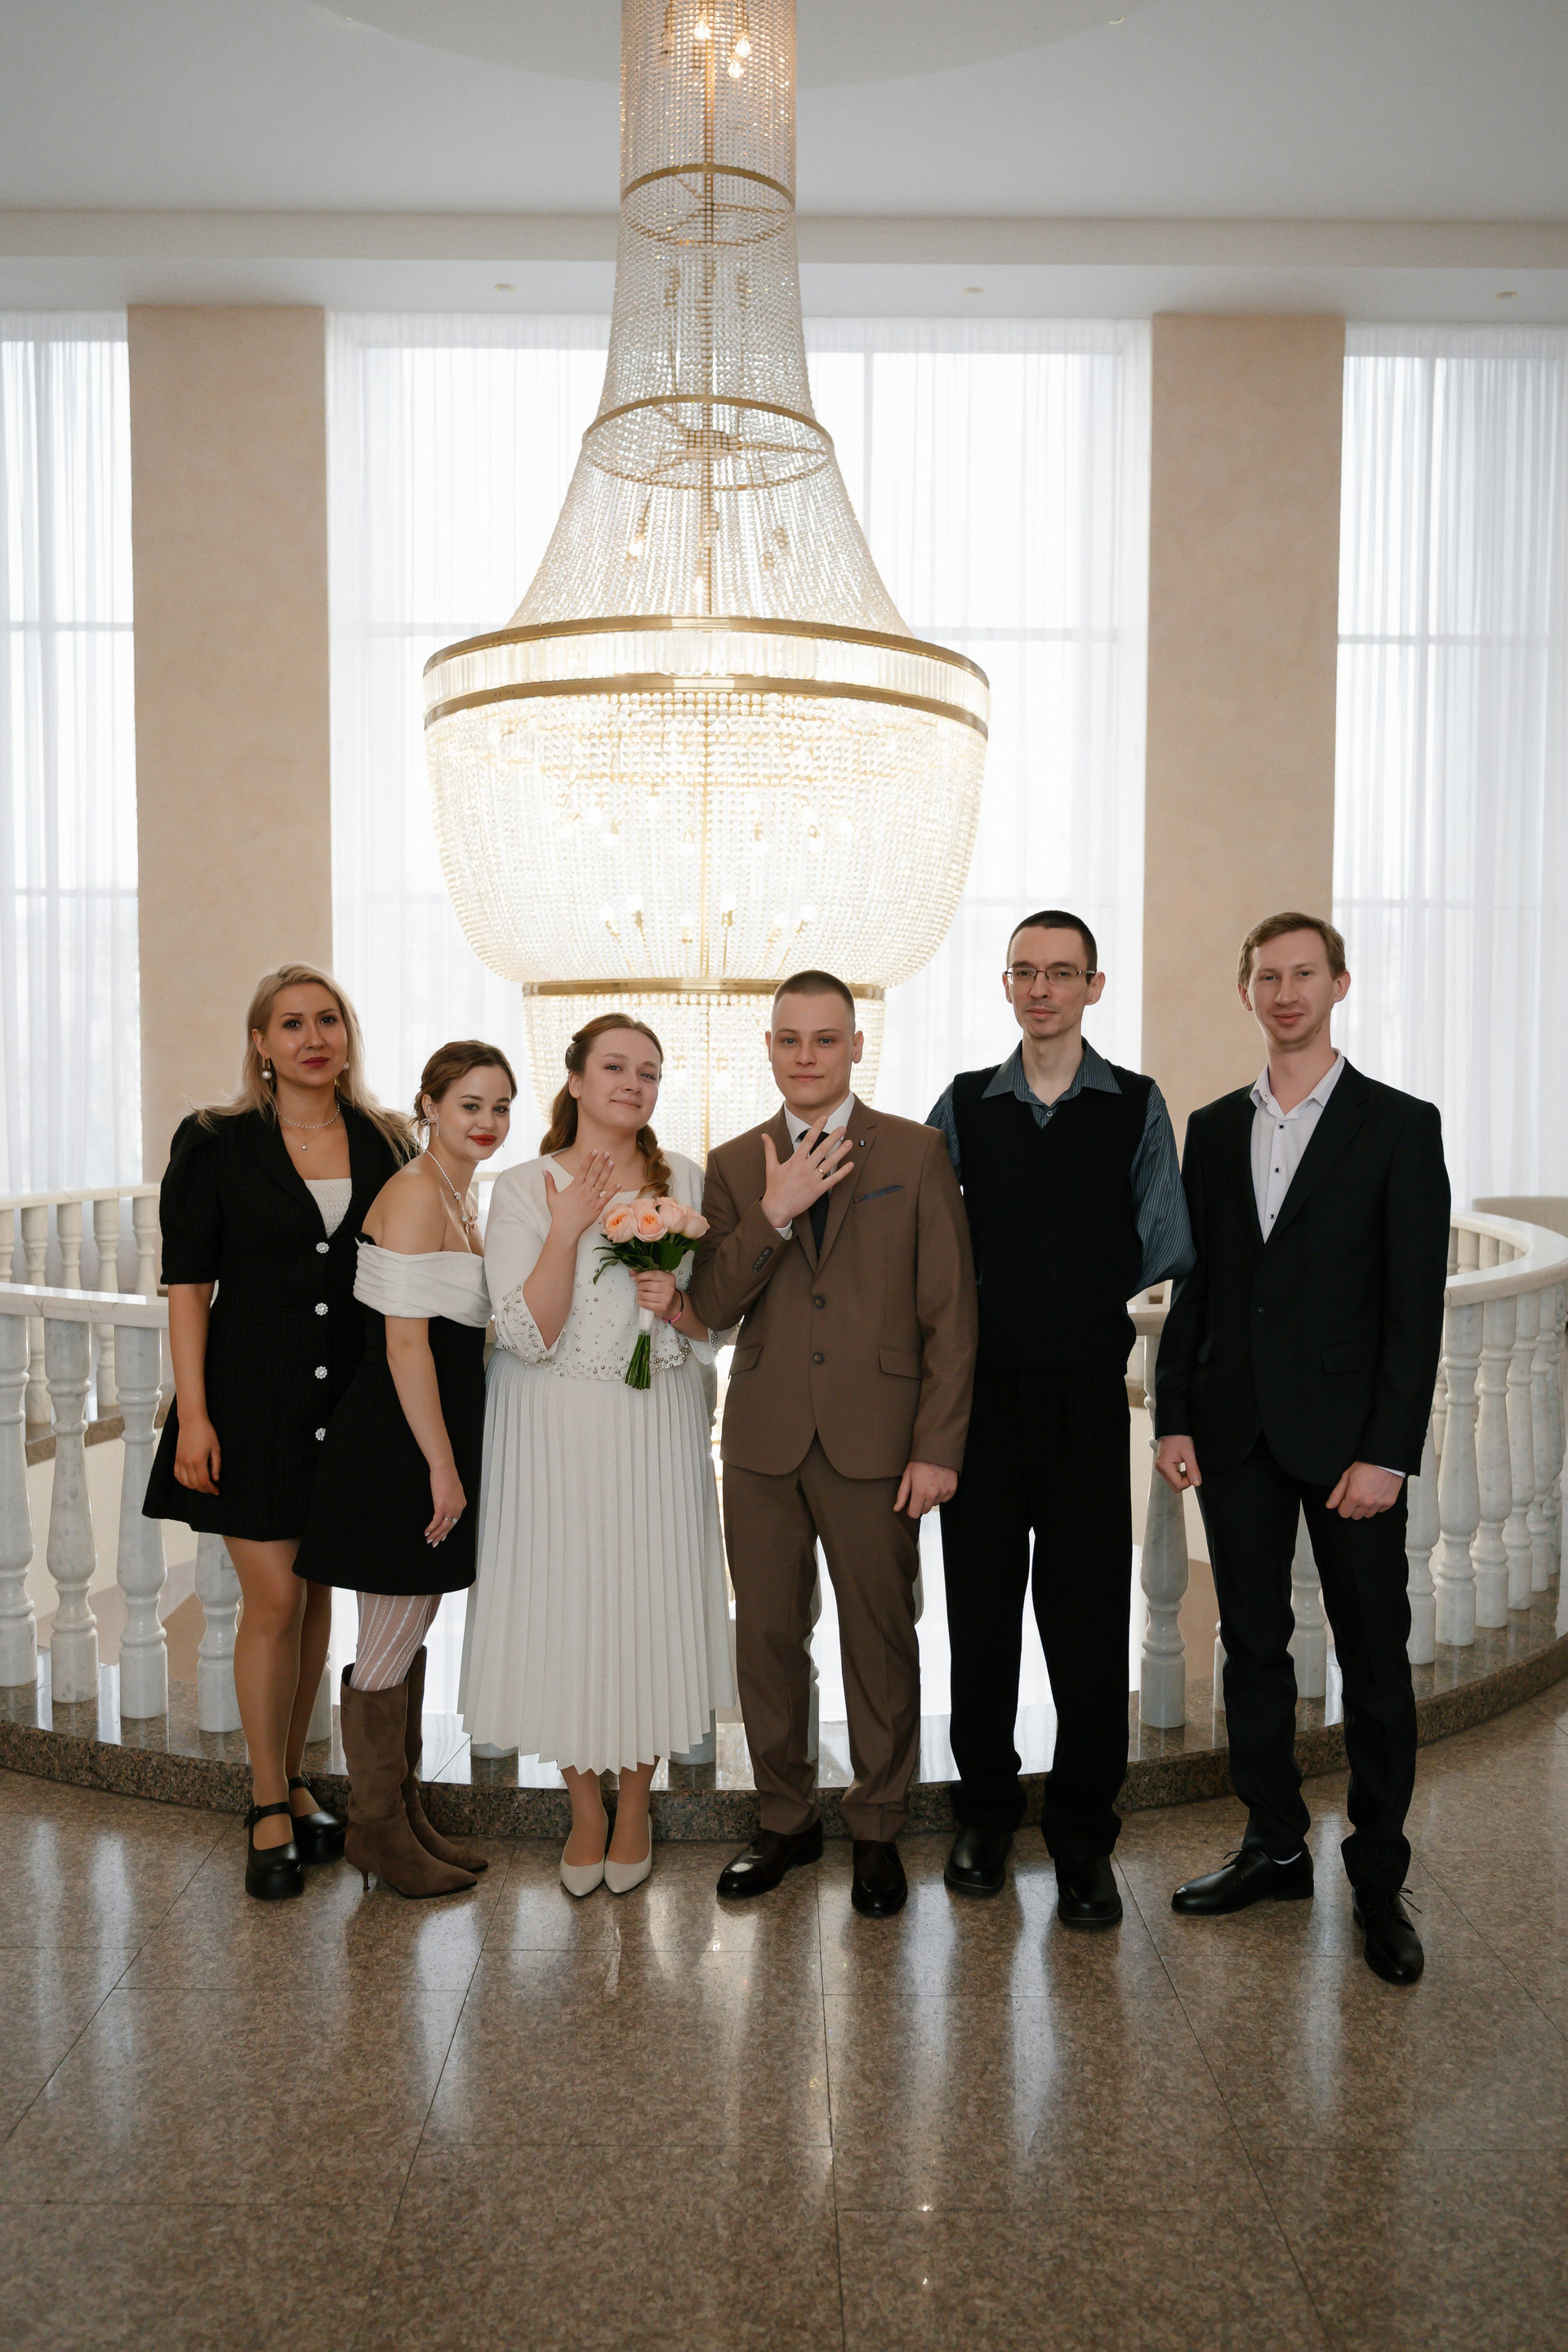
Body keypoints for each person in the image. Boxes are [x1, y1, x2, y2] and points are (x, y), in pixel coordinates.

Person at [1153, 912, 1450, 1984]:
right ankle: (1275, 1846)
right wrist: (1174, 1413)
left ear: (1339, 986)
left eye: (1304, 974)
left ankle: (1378, 1879)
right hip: (1234, 1434)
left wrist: (1388, 1452)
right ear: (1247, 993)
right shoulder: (1211, 1127)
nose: (1286, 993)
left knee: (1373, 1661)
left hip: (1350, 1448)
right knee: (1253, 1648)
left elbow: (1414, 1309)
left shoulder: (1398, 1125)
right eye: (1268, 977)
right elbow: (1196, 1287)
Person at [690, 971, 978, 1920]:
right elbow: (711, 1305)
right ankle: (784, 1817)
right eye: (790, 1039)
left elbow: (950, 1312)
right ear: (769, 1048)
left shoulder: (917, 1151)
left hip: (879, 1440)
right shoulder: (734, 1163)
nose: (806, 1056)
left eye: (825, 1039)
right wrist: (772, 1212)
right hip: (763, 1440)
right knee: (768, 1636)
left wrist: (937, 1445)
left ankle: (879, 1826)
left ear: (857, 1046)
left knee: (879, 1636)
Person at [928, 910, 1195, 1927]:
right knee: (980, 1622)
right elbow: (921, 1236)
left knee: (1086, 1630)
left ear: (1093, 986)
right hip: (980, 1403)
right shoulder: (964, 1104)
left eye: (1062, 972)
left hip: (1086, 1397)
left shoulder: (1135, 1105)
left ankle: (1084, 1838)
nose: (1042, 988)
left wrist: (1074, 1286)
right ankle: (985, 1816)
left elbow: (1165, 1240)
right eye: (1025, 971)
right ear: (1006, 985)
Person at [142, 964, 412, 1900]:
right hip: (249, 1402)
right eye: (291, 1023)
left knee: (316, 1598)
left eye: (328, 1019)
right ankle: (264, 1802)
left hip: (353, 1407)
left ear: (347, 1034)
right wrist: (194, 1414)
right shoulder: (214, 1142)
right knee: (274, 1603)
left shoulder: (388, 1138)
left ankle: (294, 1782)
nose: (313, 1037)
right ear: (260, 1043)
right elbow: (189, 1289)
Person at [459, 1016, 734, 1899]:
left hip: (653, 1421)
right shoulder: (521, 1186)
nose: (633, 1083)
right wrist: (567, 1225)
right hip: (549, 1425)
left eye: (649, 1072)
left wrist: (676, 1304)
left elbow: (716, 1321)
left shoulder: (684, 1178)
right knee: (565, 1598)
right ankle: (584, 1807)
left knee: (646, 1593)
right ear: (575, 1079)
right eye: (615, 1066)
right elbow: (526, 1333)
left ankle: (636, 1802)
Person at [294, 1042, 514, 1898]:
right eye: (470, 1105)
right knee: (389, 1638)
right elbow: (404, 1346)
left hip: (425, 1437)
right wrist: (441, 1467)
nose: (487, 1122)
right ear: (430, 1106)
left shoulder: (460, 1191)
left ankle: (401, 1815)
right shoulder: (419, 1193)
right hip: (396, 1445)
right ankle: (376, 1832)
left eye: (500, 1107)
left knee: (407, 1630)